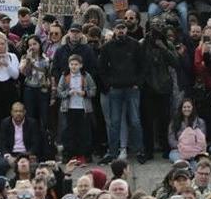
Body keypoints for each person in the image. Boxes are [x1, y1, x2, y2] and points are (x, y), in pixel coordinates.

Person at [98, 20, 145, 165]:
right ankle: (112, 152)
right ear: (114, 30)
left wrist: (138, 83)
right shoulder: (107, 47)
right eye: (118, 28)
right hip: (115, 89)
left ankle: (139, 151)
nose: (121, 31)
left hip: (132, 88)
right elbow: (101, 69)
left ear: (126, 30)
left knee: (135, 121)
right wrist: (108, 85)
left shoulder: (135, 45)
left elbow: (142, 66)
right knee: (115, 122)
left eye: (123, 28)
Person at [140, 19, 178, 162]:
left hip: (164, 88)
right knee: (147, 122)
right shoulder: (143, 44)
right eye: (154, 28)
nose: (156, 31)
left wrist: (163, 47)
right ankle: (148, 150)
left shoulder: (167, 44)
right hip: (148, 88)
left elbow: (175, 62)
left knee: (164, 121)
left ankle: (165, 148)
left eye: (159, 28)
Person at [57, 54, 96, 164]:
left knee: (84, 132)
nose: (73, 67)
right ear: (68, 65)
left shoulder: (86, 76)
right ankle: (69, 154)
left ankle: (85, 154)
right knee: (69, 132)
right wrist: (67, 93)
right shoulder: (65, 76)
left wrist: (84, 93)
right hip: (68, 108)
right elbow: (59, 91)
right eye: (71, 64)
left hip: (83, 108)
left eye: (76, 64)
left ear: (81, 65)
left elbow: (93, 90)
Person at [20, 36, 51, 130]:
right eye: (30, 45)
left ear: (39, 45)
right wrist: (29, 60)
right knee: (30, 116)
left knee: (44, 116)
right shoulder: (25, 58)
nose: (32, 47)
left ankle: (44, 138)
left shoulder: (45, 58)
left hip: (42, 89)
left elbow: (49, 74)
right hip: (30, 89)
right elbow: (24, 73)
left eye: (34, 44)